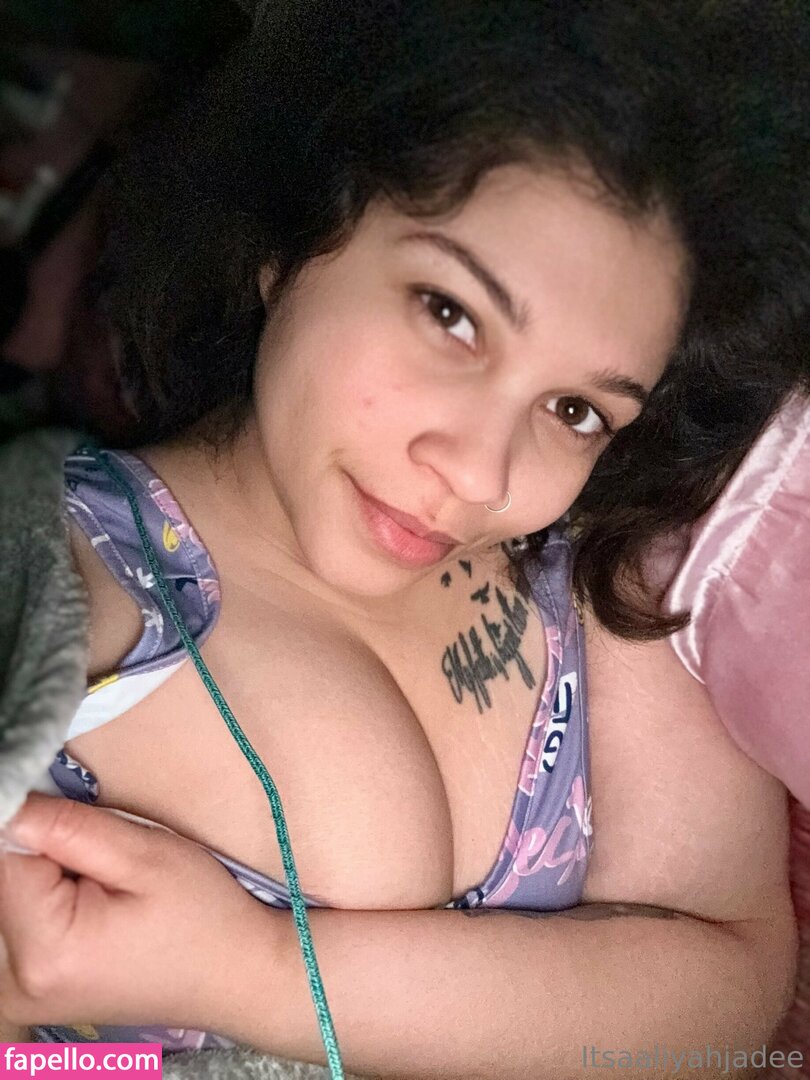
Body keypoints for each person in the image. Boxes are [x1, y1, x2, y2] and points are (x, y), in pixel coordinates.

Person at [1, 2, 808, 1076]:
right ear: (295, 237)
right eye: (451, 315)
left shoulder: (597, 573)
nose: (481, 473)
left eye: (577, 410)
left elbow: (733, 1000)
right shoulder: (57, 583)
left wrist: (255, 974)